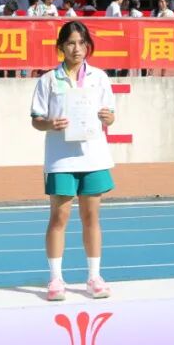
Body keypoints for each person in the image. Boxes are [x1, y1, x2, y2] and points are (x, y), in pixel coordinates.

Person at [30, 21, 116, 301]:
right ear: (61, 47)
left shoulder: (99, 78)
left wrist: (108, 118)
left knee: (91, 217)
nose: (76, 49)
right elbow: (36, 120)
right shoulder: (48, 80)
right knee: (59, 217)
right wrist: (50, 123)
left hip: (93, 156)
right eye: (70, 43)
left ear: (87, 46)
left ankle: (94, 277)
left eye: (81, 43)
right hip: (61, 159)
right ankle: (56, 279)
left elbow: (111, 116)